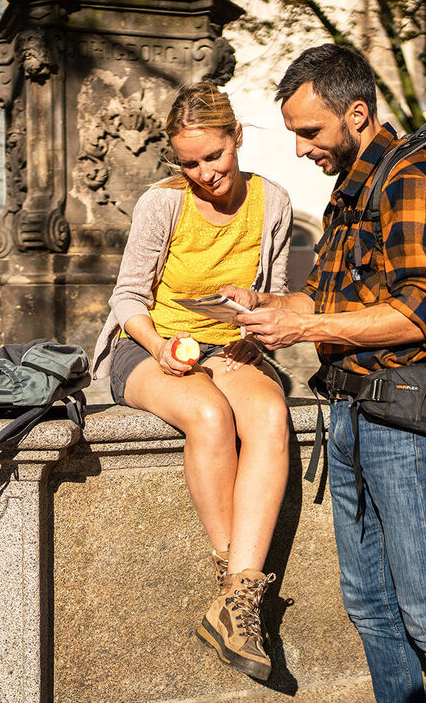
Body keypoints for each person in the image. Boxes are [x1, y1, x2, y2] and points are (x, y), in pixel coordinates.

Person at [225, 45, 426, 701]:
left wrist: (304, 328)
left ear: (358, 113)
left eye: (309, 132)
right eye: (292, 134)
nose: (299, 149)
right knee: (370, 607)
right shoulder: (352, 189)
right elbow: (327, 297)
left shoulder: (411, 175)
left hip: (405, 420)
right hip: (349, 413)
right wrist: (272, 307)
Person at [91, 82, 293, 682]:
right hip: (147, 346)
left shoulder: (273, 201)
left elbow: (278, 294)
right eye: (189, 162)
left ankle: (234, 604)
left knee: (270, 416)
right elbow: (128, 296)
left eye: (215, 156)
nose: (204, 172)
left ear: (237, 138)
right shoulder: (163, 203)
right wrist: (160, 347)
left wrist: (253, 307)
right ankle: (238, 590)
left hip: (232, 344)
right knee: (209, 415)